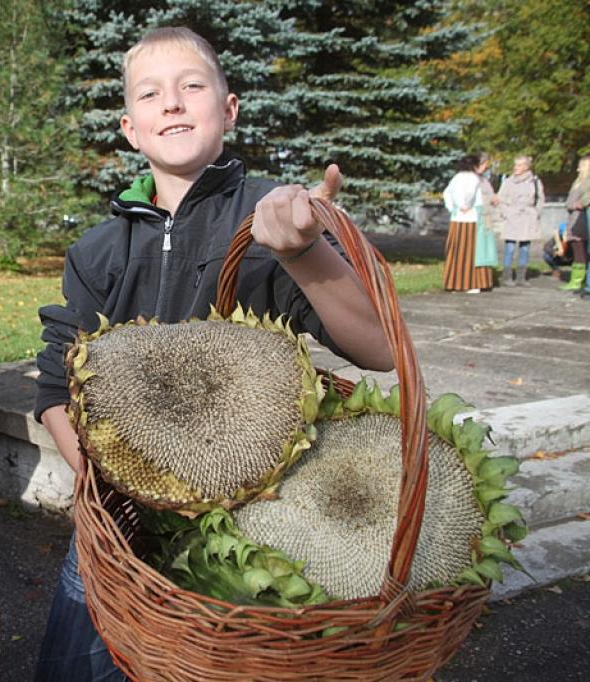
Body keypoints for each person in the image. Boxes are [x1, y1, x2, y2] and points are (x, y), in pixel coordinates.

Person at [32, 27, 394, 681]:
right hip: (118, 522)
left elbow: (381, 348)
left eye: (191, 86)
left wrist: (302, 253)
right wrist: (113, 488)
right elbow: (56, 387)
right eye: (150, 94)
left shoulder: (272, 216)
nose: (172, 102)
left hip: (250, 518)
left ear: (228, 110)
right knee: (74, 664)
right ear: (130, 129)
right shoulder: (96, 251)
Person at [441, 154, 494, 292]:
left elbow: (447, 193)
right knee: (472, 250)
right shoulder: (473, 178)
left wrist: (453, 208)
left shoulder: (456, 177)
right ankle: (472, 283)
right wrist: (464, 205)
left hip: (456, 219)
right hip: (471, 218)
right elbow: (469, 194)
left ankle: (455, 282)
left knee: (456, 250)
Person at [498, 155, 545, 287]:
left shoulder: (534, 181)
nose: (515, 168)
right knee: (510, 247)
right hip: (512, 217)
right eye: (515, 165)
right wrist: (506, 213)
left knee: (525, 248)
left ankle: (521, 277)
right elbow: (501, 199)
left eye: (519, 165)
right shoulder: (508, 182)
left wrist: (536, 213)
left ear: (526, 167)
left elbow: (540, 199)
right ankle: (507, 276)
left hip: (527, 218)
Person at [560, 155, 590, 292]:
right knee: (577, 250)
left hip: (581, 220)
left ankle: (578, 281)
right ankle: (579, 279)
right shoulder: (578, 182)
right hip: (574, 219)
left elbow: (582, 200)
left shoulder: (586, 183)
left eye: (582, 166)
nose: (578, 169)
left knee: (580, 251)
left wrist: (580, 203)